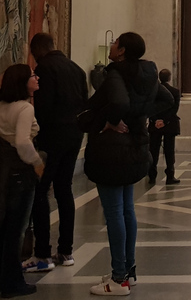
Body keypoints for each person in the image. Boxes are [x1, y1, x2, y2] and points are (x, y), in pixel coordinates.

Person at [83, 32, 172, 296]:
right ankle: (129, 272)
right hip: (136, 147)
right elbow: (167, 100)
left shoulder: (116, 73)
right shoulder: (147, 73)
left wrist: (109, 121)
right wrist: (140, 117)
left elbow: (119, 102)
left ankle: (118, 279)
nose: (111, 46)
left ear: (121, 50)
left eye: (114, 43)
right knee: (126, 210)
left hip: (112, 150)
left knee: (114, 214)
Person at [22, 33, 87, 273]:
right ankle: (66, 251)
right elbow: (84, 104)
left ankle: (42, 254)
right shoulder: (76, 69)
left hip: (51, 139)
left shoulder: (44, 69)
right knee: (64, 189)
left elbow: (42, 109)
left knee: (40, 192)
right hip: (74, 137)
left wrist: (37, 138)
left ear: (36, 49)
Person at [0, 64, 44, 298]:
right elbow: (23, 142)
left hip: (4, 171)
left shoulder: (3, 106)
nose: (36, 78)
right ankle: (12, 282)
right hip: (20, 173)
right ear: (21, 82)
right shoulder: (24, 108)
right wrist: (38, 164)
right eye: (32, 76)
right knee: (16, 230)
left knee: (4, 227)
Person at [148, 69, 180, 185]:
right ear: (169, 78)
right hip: (170, 125)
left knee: (153, 150)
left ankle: (151, 176)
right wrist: (164, 121)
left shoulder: (153, 91)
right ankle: (170, 175)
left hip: (155, 125)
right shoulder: (175, 92)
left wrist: (156, 120)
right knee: (169, 151)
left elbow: (149, 107)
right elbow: (174, 109)